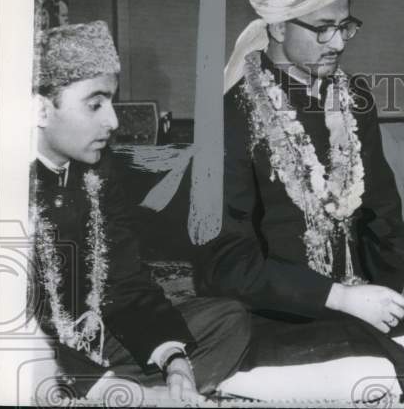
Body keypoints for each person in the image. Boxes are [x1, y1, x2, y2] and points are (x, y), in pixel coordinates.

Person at [196, 0, 404, 400]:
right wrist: (337, 297)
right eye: (324, 28)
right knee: (368, 377)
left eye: (345, 26)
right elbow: (225, 265)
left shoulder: (354, 97)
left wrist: (401, 281)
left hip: (357, 302)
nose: (340, 42)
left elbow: (380, 211)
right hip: (276, 311)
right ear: (280, 25)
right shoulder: (230, 117)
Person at [29, 21, 250, 403]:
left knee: (227, 320)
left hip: (93, 335)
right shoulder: (8, 181)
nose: (113, 121)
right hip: (35, 347)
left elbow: (125, 280)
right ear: (42, 109)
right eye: (95, 104)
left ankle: (144, 389)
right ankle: (123, 393)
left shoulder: (99, 169)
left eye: (111, 102)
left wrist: (175, 360)